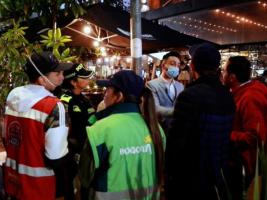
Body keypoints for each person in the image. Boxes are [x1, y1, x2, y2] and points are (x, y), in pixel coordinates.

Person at [165, 43, 235, 200]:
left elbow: (176, 144)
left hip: (192, 180)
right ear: (217, 67)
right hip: (219, 176)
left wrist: (169, 177)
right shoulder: (227, 96)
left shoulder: (189, 96)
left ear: (192, 65)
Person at [85, 70, 165, 200]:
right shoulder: (156, 129)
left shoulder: (99, 129)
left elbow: (85, 177)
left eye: (108, 90)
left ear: (119, 96)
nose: (105, 95)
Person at [3, 51, 72, 200]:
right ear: (42, 79)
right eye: (57, 73)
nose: (62, 77)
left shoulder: (12, 98)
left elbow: (7, 138)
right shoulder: (54, 106)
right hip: (39, 187)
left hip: (12, 182)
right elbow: (55, 157)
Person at [222, 56, 267, 199]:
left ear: (232, 77)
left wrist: (226, 134)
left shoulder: (250, 97)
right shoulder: (247, 91)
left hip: (248, 167)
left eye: (224, 71)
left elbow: (255, 136)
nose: (221, 74)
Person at [60, 63, 95, 199]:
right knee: (70, 183)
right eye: (83, 78)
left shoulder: (85, 99)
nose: (88, 80)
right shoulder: (65, 101)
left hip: (87, 148)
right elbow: (65, 127)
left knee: (87, 182)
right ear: (74, 82)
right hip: (72, 151)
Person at [146, 51, 184, 134]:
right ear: (163, 65)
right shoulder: (151, 85)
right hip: (159, 129)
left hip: (178, 129)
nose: (176, 67)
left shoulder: (180, 86)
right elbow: (155, 108)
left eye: (178, 65)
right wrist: (179, 112)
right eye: (173, 64)